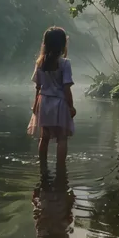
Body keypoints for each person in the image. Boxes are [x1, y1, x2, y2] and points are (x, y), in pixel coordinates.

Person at [27, 26, 76, 169]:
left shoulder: (40, 63)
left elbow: (38, 87)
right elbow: (66, 88)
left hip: (44, 102)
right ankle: (61, 169)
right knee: (62, 138)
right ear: (63, 45)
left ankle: (43, 167)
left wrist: (36, 104)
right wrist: (71, 106)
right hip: (60, 104)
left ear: (45, 44)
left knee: (44, 137)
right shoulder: (65, 63)